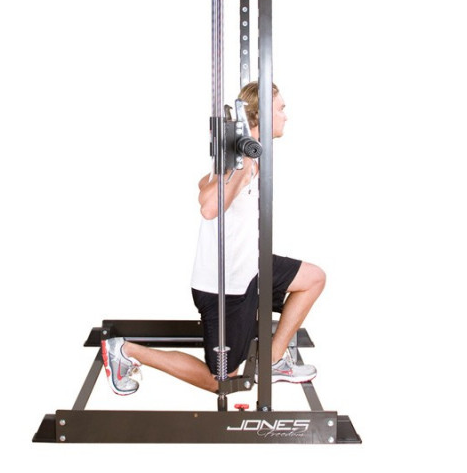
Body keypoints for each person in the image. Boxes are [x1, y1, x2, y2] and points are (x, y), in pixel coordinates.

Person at [100, 82, 326, 395]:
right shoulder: (243, 162)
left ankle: (273, 360)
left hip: (249, 266)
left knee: (313, 278)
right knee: (221, 381)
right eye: (280, 109)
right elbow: (208, 207)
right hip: (226, 286)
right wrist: (236, 174)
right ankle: (126, 351)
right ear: (261, 114)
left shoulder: (242, 155)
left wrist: (223, 177)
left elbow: (202, 185)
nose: (286, 115)